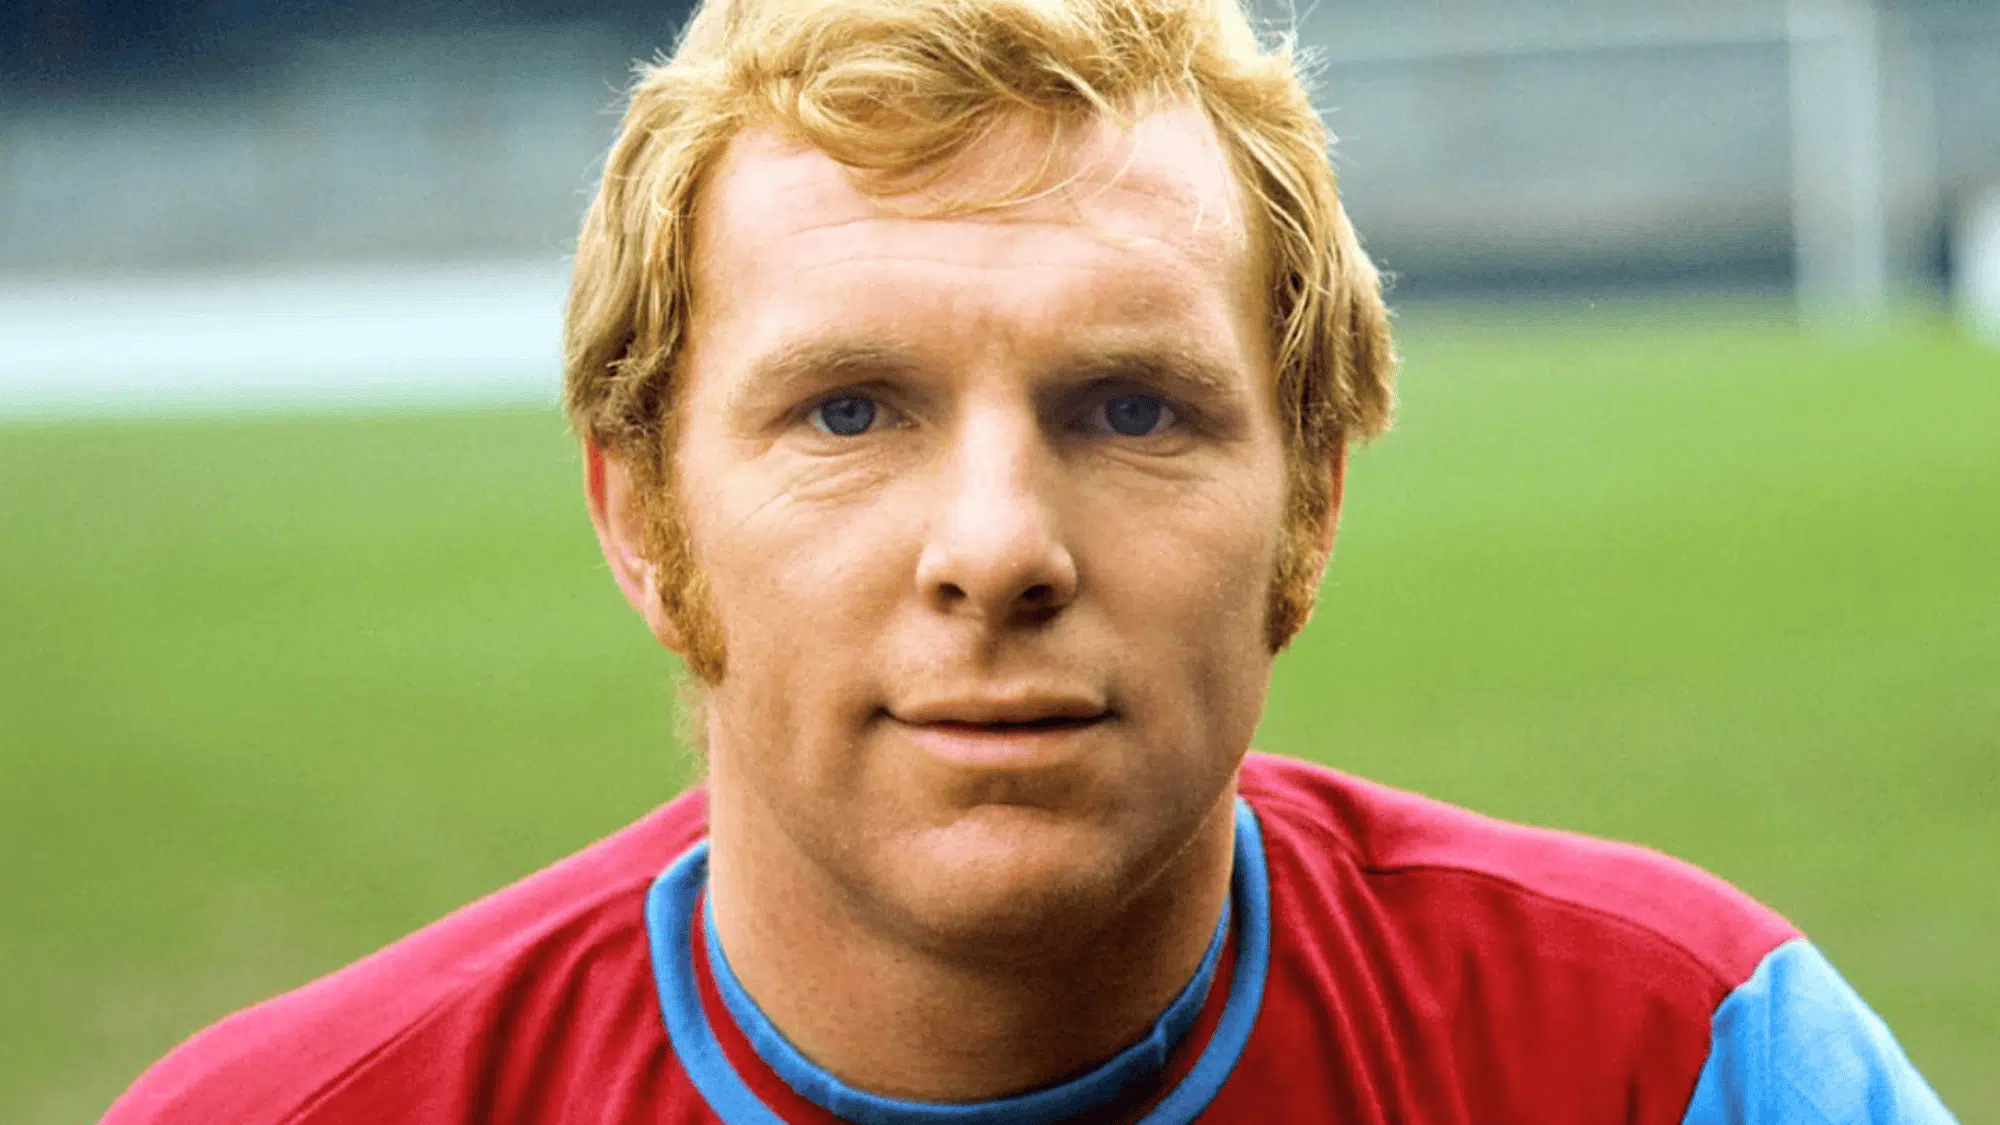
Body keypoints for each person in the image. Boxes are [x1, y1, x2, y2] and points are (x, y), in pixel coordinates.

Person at [103, 0, 1957, 1122]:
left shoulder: (1682, 1069)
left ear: (1309, 505)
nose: (996, 548)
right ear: (643, 523)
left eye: (1133, 410)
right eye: (847, 412)